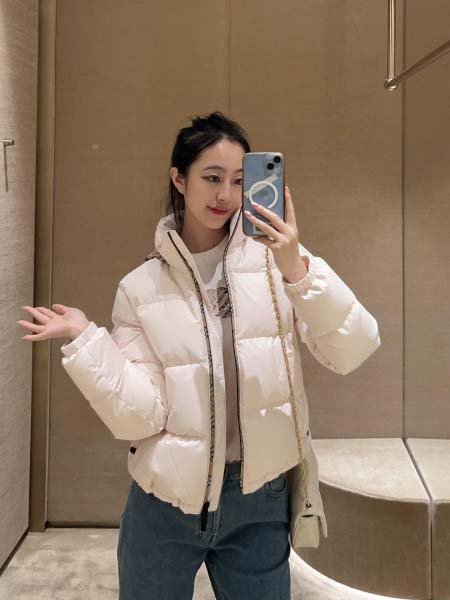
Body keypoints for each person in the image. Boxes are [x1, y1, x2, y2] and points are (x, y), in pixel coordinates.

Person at [17, 111, 381, 599]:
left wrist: (296, 267)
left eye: (238, 180)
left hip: (259, 499)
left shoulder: (277, 267)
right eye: (211, 177)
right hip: (164, 504)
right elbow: (140, 418)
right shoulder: (140, 289)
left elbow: (354, 348)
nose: (225, 194)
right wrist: (87, 341)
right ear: (179, 179)